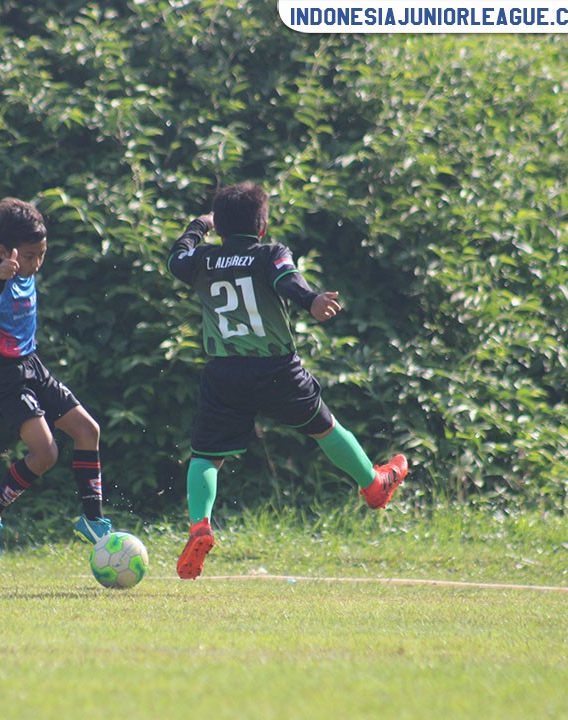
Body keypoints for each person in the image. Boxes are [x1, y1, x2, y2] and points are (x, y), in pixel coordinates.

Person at [167, 182, 409, 580]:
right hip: (276, 369)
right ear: (261, 228)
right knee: (324, 427)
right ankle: (373, 484)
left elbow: (176, 257)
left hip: (224, 370)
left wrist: (197, 226)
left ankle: (200, 525)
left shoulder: (203, 260)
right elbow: (286, 280)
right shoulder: (270, 253)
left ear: (222, 228)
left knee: (206, 455)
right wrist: (311, 299)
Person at [0, 197, 111, 562]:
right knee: (46, 453)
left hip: (33, 365)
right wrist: (0, 272)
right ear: (6, 252)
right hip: (6, 375)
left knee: (88, 430)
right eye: (29, 256)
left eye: (41, 254)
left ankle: (92, 519)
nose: (35, 263)